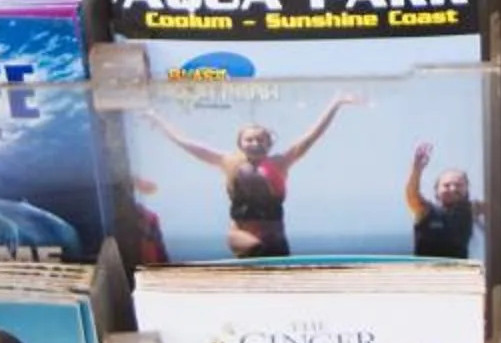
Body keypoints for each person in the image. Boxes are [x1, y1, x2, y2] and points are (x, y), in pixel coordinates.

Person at [139, 94, 357, 257]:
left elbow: (311, 137)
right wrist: (158, 121)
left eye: (260, 139)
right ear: (239, 144)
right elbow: (188, 144)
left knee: (275, 270)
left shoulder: (280, 163)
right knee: (256, 248)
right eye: (249, 140)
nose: (255, 143)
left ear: (269, 143)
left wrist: (335, 104)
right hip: (242, 236)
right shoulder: (229, 162)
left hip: (276, 238)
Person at [405, 142, 483, 259]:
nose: (452, 188)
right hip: (426, 273)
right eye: (446, 185)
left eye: (458, 185)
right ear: (436, 190)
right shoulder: (425, 211)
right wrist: (416, 170)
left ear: (467, 189)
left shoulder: (472, 209)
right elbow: (412, 195)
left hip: (458, 274)